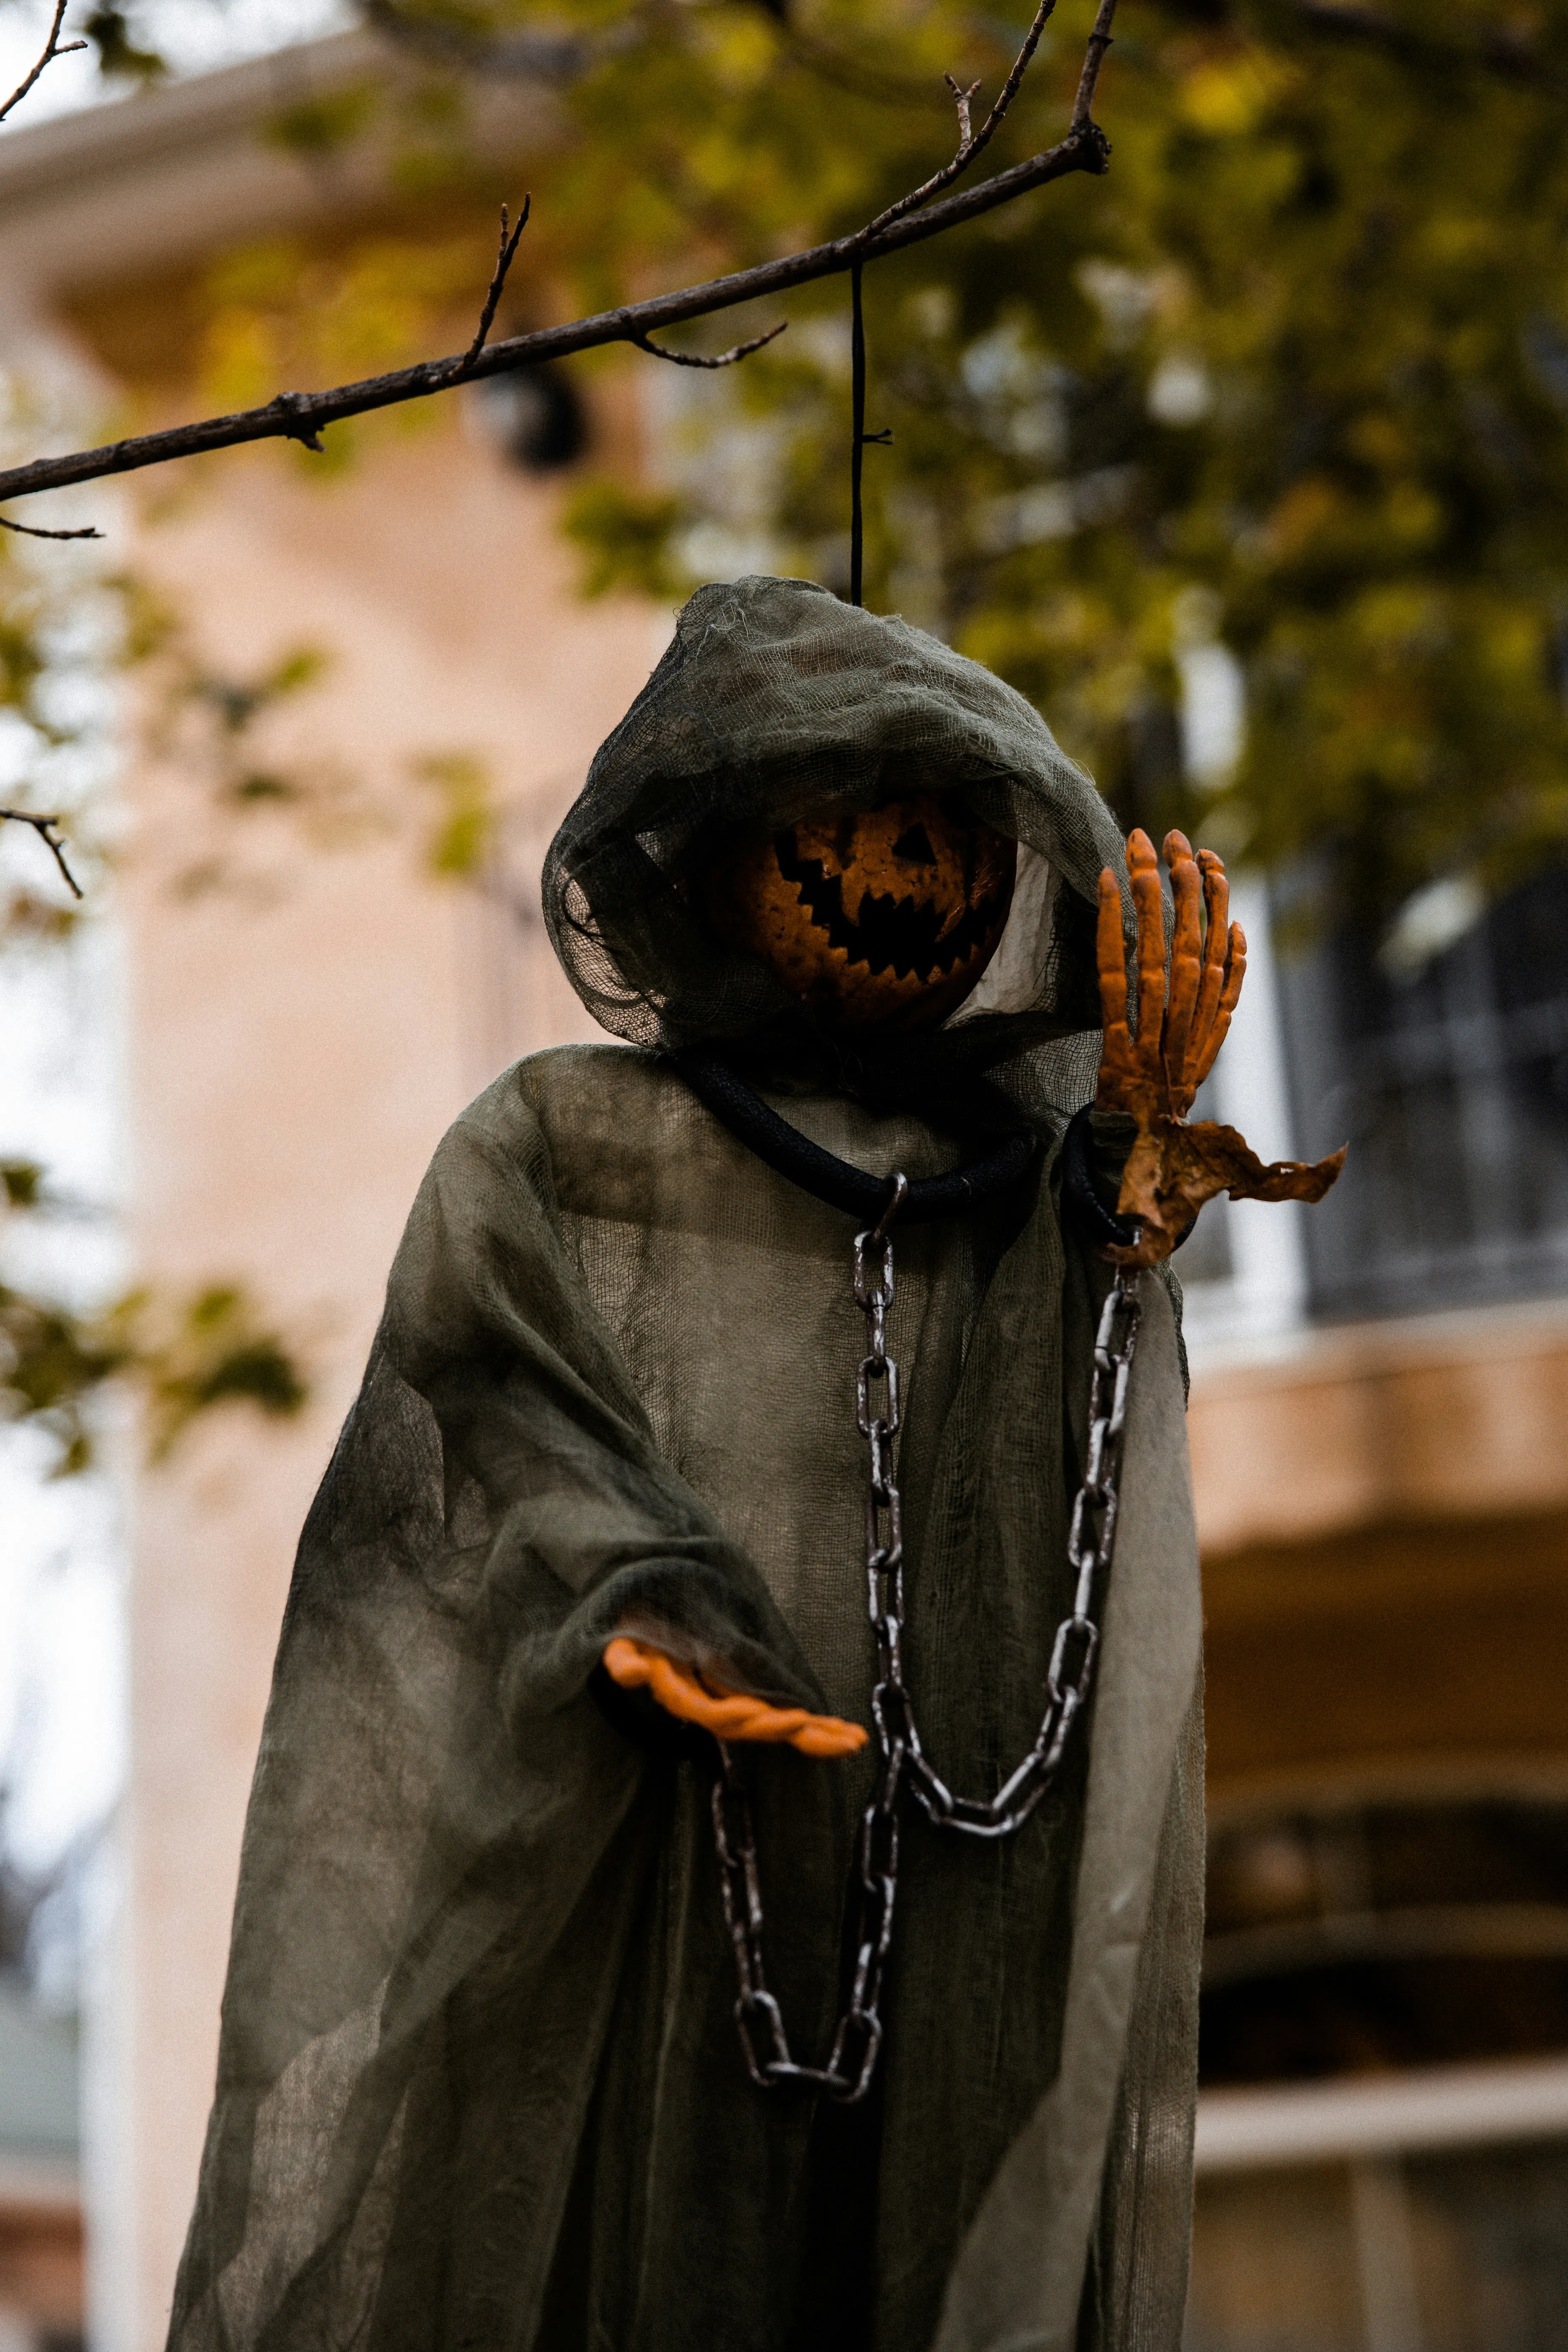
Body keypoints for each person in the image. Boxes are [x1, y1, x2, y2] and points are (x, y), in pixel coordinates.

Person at [166, 574, 1337, 2352]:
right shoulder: (560, 1146)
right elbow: (494, 1393)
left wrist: (1113, 1191)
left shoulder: (1016, 1202)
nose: (908, 859)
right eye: (853, 809)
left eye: (953, 823)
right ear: (712, 846)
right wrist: (632, 1589)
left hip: (941, 1930)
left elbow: (1062, 1486)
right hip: (646, 1909)